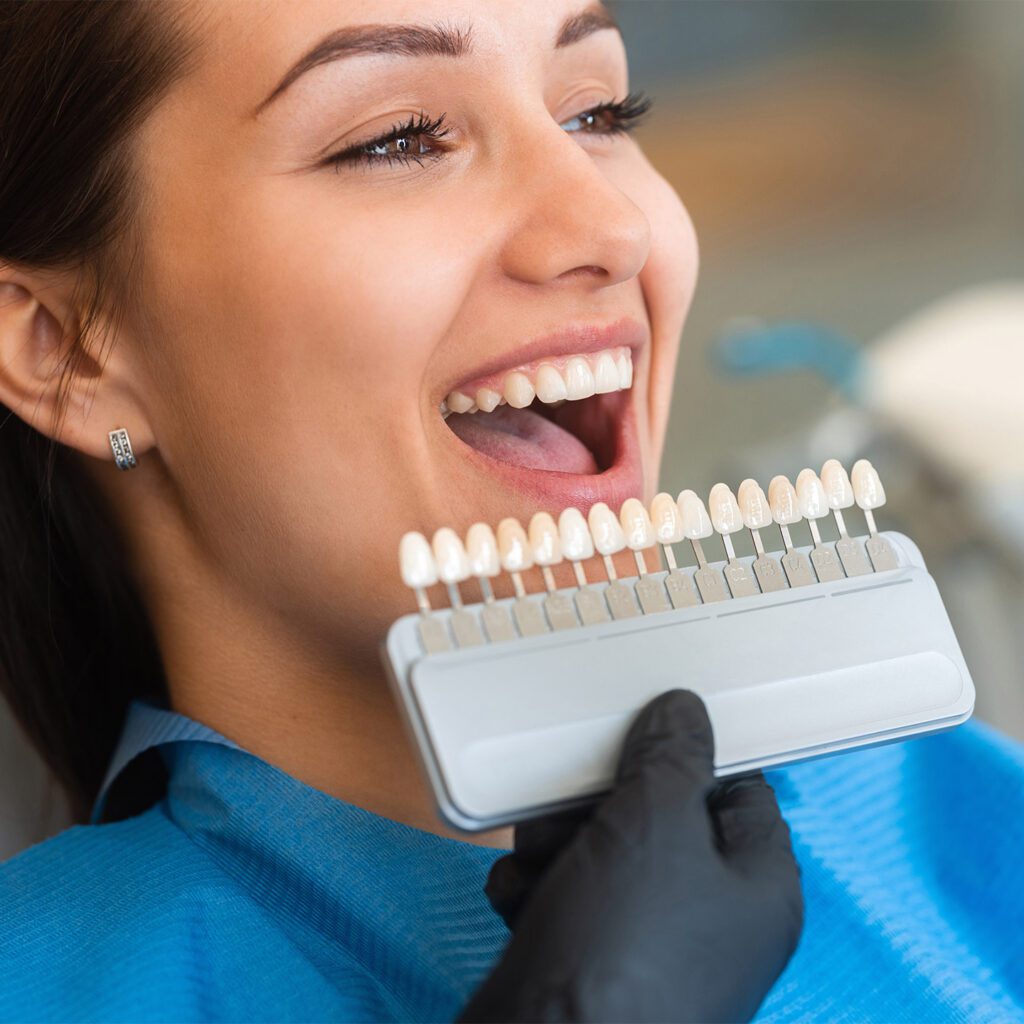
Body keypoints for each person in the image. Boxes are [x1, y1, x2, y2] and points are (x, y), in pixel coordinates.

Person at [0, 2, 1021, 1022]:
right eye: (396, 138)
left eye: (600, 112)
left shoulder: (954, 812)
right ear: (64, 347)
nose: (610, 228)